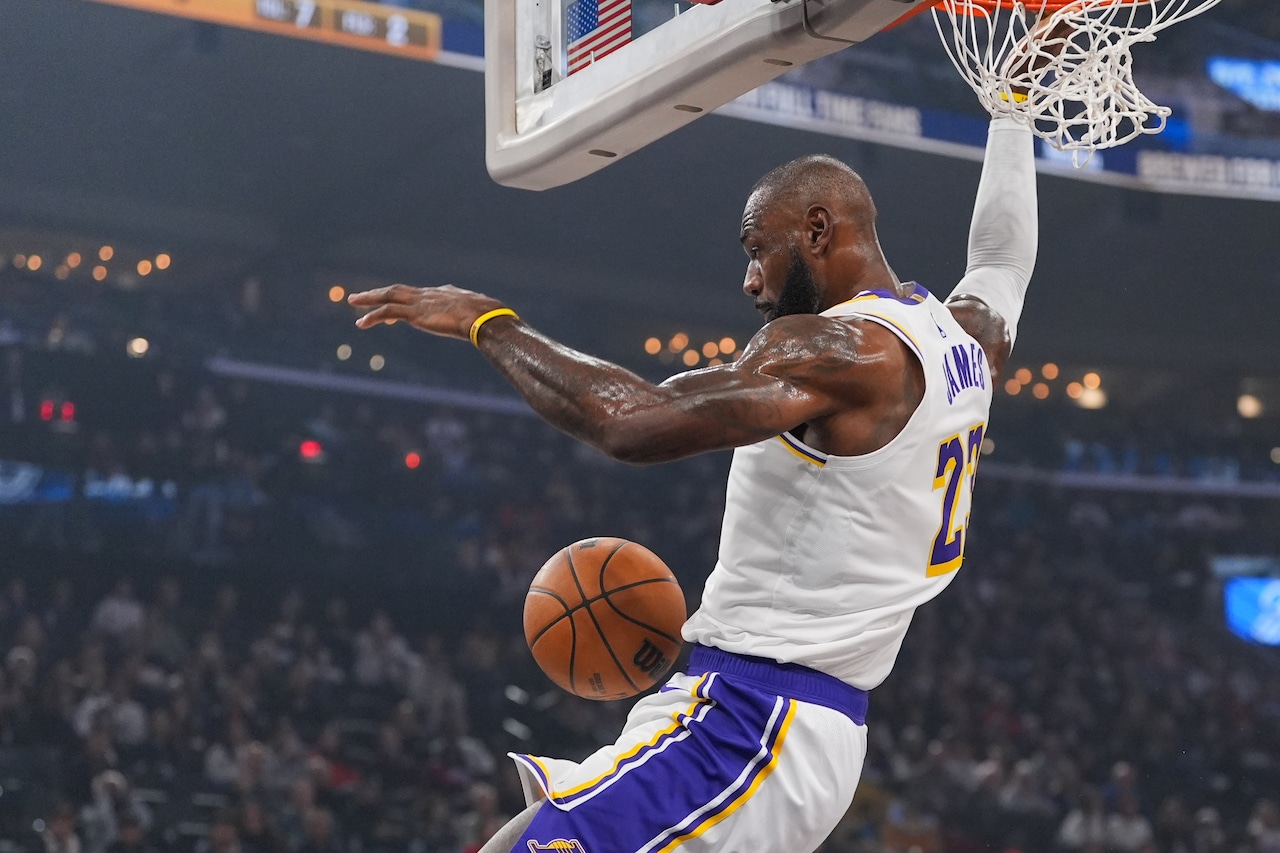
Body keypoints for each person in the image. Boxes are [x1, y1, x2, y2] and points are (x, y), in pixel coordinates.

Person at [350, 114, 1035, 853]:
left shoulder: (836, 348)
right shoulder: (965, 340)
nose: (750, 279)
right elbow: (1000, 261)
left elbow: (633, 422)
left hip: (750, 723)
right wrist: (1012, 112)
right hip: (787, 722)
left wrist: (487, 322)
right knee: (518, 835)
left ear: (816, 229)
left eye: (757, 248)